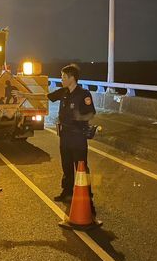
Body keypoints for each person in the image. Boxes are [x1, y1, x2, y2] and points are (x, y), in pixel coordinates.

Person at [14, 64, 96, 211]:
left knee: (81, 167)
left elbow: (91, 113)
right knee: (66, 165)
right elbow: (45, 96)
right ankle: (67, 192)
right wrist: (24, 95)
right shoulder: (63, 92)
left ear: (72, 78)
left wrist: (78, 118)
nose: (61, 79)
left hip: (77, 137)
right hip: (65, 136)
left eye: (63, 77)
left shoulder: (84, 94)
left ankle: (87, 196)